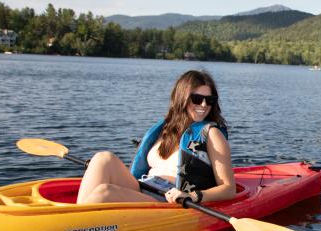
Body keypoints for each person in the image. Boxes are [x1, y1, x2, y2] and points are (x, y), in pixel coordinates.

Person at [76, 69, 236, 206]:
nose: (203, 105)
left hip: (169, 200)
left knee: (105, 192)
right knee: (103, 158)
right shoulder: (165, 128)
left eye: (209, 100)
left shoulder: (211, 134)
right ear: (182, 98)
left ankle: (72, 228)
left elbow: (229, 189)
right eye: (197, 99)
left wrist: (193, 196)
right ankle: (72, 218)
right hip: (142, 187)